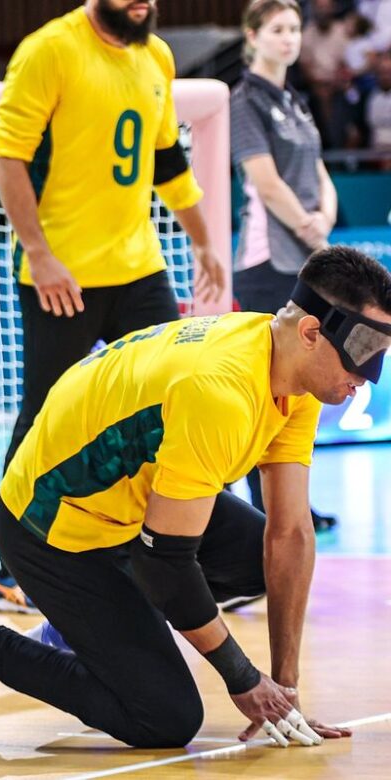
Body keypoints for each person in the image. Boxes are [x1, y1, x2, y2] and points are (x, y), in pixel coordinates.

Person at [0, 245, 387, 751]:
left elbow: (290, 535)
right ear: (312, 333)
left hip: (130, 501)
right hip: (49, 526)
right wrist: (246, 680)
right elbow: (164, 563)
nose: (368, 378)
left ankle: (87, 631)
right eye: (363, 355)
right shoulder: (220, 391)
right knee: (165, 719)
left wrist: (286, 689)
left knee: (264, 558)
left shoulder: (293, 372)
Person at [0, 0, 228, 614]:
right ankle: (13, 569)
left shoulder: (156, 55)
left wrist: (203, 240)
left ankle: (180, 552)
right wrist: (39, 255)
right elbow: (10, 159)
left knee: (179, 395)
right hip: (62, 274)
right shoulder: (50, 49)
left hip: (139, 267)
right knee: (46, 412)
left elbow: (166, 162)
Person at [232, 0, 341, 532]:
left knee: (302, 388)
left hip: (307, 256)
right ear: (252, 36)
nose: (289, 39)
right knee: (270, 386)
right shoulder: (244, 101)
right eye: (277, 29)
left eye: (295, 28)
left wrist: (325, 215)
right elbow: (266, 181)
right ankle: (262, 507)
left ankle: (294, 503)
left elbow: (319, 170)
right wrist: (307, 226)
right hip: (266, 261)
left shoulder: (295, 101)